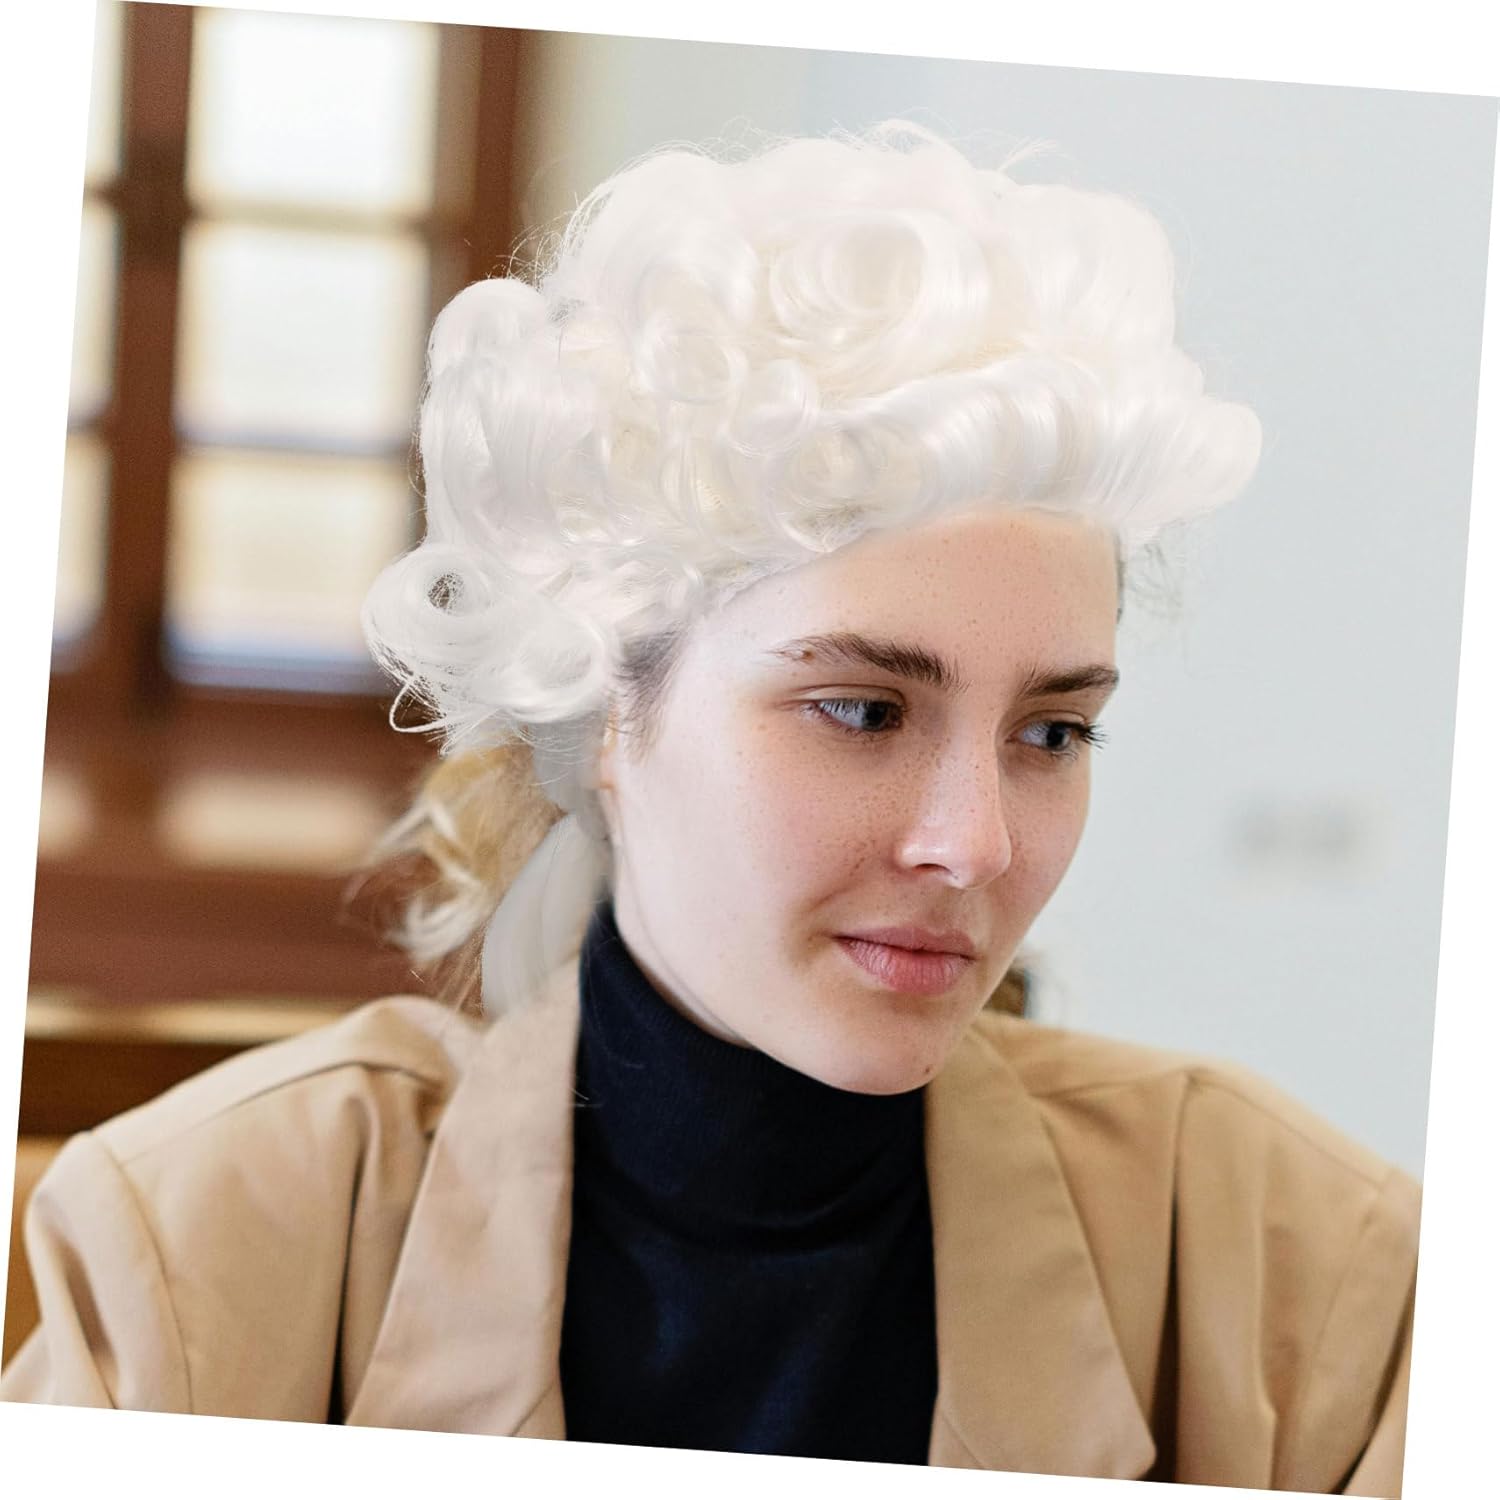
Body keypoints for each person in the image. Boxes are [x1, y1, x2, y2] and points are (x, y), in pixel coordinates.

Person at [3, 122, 1418, 1494]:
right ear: (605, 713)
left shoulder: (1301, 1275)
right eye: (862, 711)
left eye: (1052, 732)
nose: (977, 843)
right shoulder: (206, 1250)